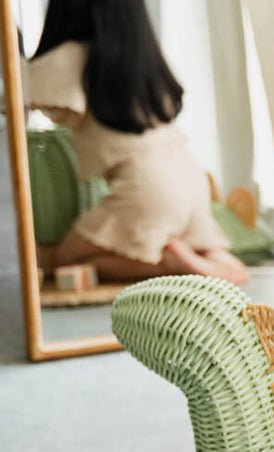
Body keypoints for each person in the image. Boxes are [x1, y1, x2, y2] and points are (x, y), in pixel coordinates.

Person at [26, 0, 248, 284]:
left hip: (148, 188)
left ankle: (166, 264)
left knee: (64, 258)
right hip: (191, 180)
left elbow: (18, 93)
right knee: (202, 246)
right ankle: (219, 265)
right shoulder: (144, 63)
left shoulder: (72, 57)